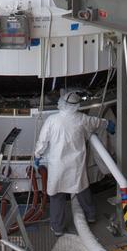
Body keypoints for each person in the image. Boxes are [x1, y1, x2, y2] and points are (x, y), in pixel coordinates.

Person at [33, 90, 109, 236]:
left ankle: (57, 228)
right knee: (81, 189)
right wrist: (107, 124)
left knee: (57, 195)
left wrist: (37, 155)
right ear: (76, 105)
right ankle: (91, 215)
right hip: (76, 164)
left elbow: (42, 141)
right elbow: (96, 122)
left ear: (61, 104)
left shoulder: (52, 120)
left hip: (58, 165)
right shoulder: (82, 119)